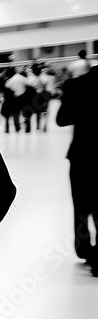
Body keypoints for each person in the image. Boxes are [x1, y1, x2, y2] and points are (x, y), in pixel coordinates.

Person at [56, 62, 98, 276]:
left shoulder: (76, 85)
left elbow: (62, 119)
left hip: (82, 155)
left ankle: (84, 248)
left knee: (81, 204)